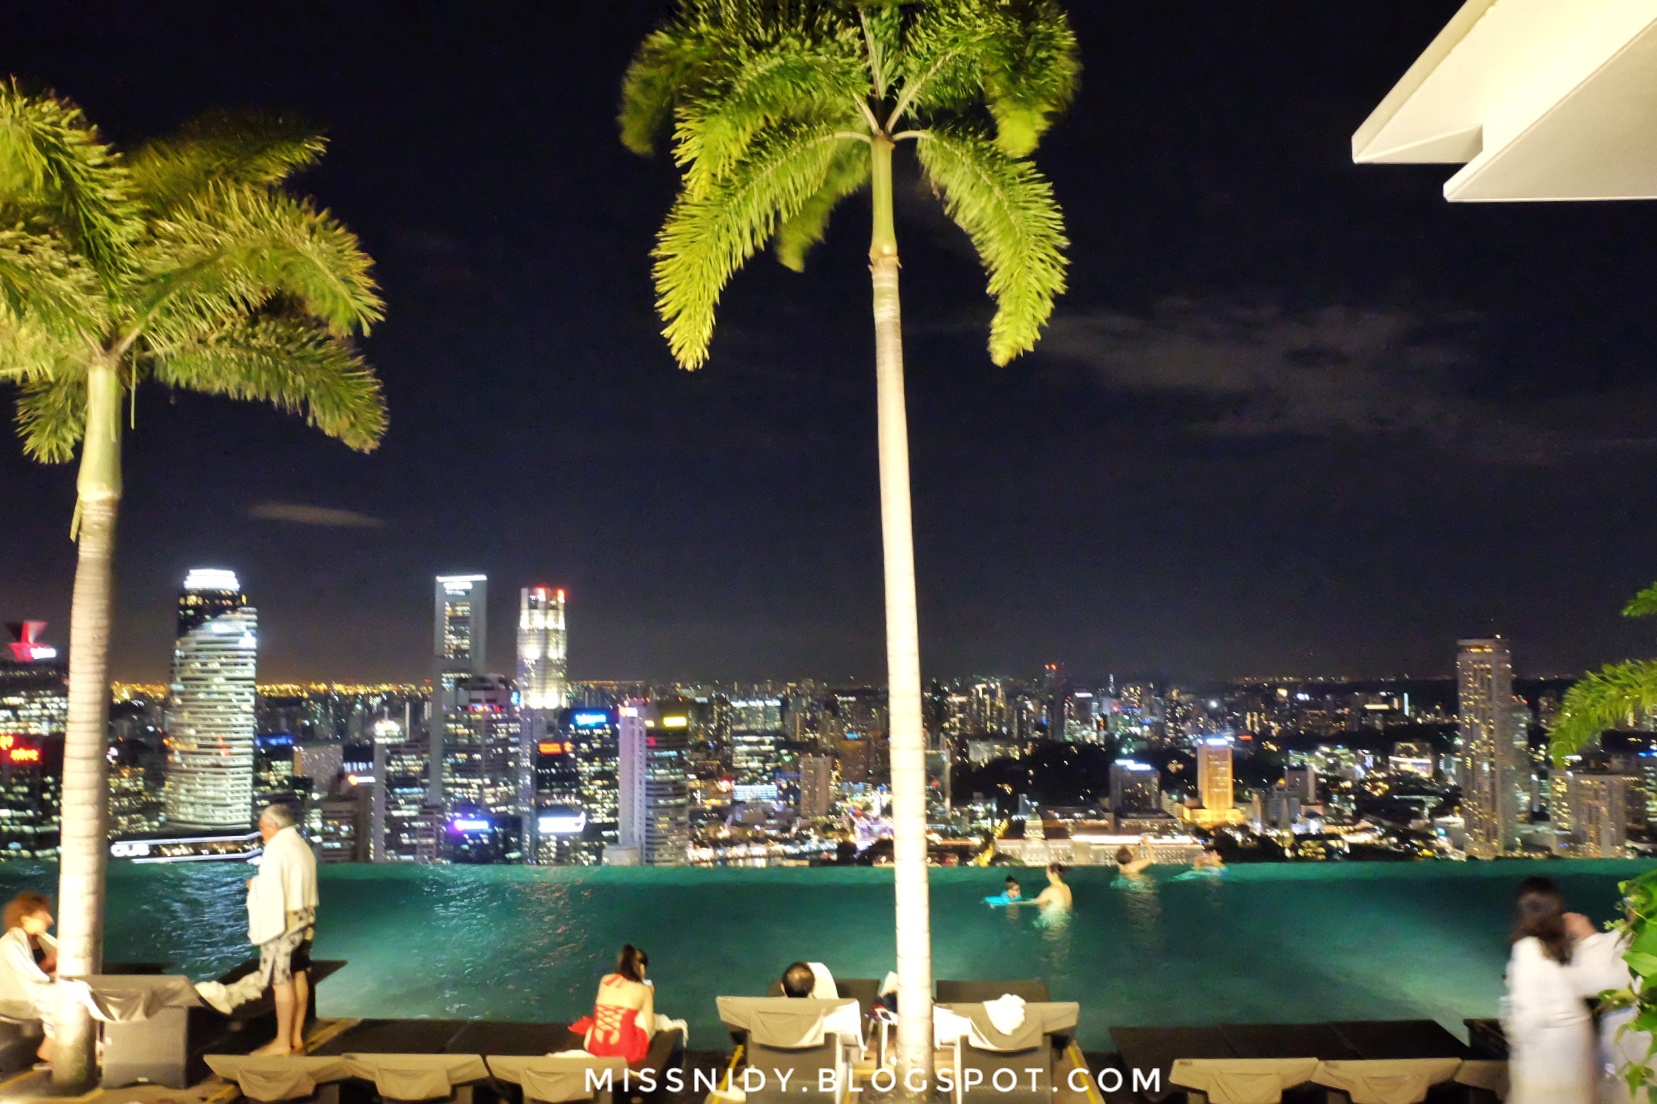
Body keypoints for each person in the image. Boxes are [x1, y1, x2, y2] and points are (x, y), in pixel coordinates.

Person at [1503, 877, 1596, 1104]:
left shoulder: (1528, 949)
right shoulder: (1566, 947)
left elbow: (1530, 1012)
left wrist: (1514, 1035)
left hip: (1548, 1047)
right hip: (1577, 1039)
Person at [244, 804, 319, 1056]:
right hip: (306, 917)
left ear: (274, 826)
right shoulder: (301, 844)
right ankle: (296, 1036)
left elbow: (272, 889)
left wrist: (254, 885)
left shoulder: (276, 849)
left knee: (280, 979)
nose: (261, 833)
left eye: (262, 828)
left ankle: (281, 1041)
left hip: (285, 923)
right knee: (299, 973)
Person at [1564, 908, 1648, 1104]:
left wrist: (1589, 937)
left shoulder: (1622, 939)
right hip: (1622, 1040)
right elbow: (1602, 982)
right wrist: (1588, 938)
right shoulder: (1612, 941)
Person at [574, 945, 656, 1065]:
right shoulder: (643, 989)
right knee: (639, 1015)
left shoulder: (605, 979)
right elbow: (650, 1027)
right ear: (642, 967)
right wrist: (650, 993)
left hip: (593, 1047)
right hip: (626, 1053)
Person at [0, 893, 57, 1065]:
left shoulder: (44, 941)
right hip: (15, 999)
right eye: (43, 914)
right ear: (25, 919)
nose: (50, 919)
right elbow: (29, 980)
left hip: (39, 992)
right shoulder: (10, 944)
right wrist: (50, 964)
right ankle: (49, 1051)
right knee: (70, 999)